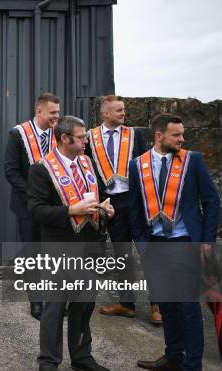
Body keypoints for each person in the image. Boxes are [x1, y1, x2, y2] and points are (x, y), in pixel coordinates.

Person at [130, 114, 220, 371]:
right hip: (155, 244)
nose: (182, 139)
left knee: (187, 308)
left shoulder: (192, 161)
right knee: (167, 305)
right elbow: (134, 208)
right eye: (176, 135)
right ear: (159, 135)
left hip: (184, 243)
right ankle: (173, 357)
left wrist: (206, 242)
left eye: (182, 135)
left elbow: (212, 200)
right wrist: (143, 244)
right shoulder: (137, 165)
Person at [27, 115, 114, 371]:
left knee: (84, 304)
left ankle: (81, 356)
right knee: (54, 307)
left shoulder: (87, 163)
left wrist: (105, 208)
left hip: (90, 246)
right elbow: (36, 211)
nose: (87, 141)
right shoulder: (41, 170)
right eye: (82, 137)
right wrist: (69, 211)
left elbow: (94, 197)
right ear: (65, 139)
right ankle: (49, 362)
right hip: (60, 248)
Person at [85, 95, 160, 324]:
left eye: (124, 110)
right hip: (111, 204)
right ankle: (127, 304)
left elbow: (147, 165)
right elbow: (88, 170)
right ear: (105, 113)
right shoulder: (90, 137)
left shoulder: (135, 134)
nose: (123, 113)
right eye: (118, 110)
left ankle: (158, 305)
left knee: (149, 252)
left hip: (135, 201)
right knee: (122, 255)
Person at [4, 92, 60, 320]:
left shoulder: (60, 134)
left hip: (57, 206)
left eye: (58, 112)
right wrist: (34, 195)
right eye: (52, 113)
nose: (57, 117)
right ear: (39, 111)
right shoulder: (18, 134)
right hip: (28, 205)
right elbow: (11, 172)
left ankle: (56, 299)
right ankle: (36, 300)